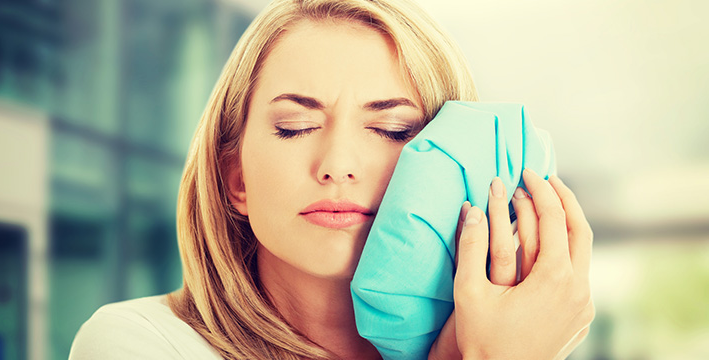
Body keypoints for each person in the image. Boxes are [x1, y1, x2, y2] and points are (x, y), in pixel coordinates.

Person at [69, 0, 594, 359]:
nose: (337, 164)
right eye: (295, 127)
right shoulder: (136, 342)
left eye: (392, 129)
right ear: (237, 181)